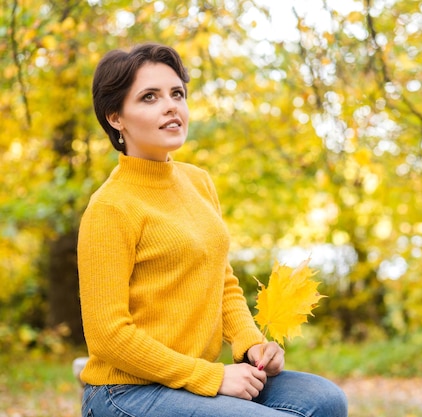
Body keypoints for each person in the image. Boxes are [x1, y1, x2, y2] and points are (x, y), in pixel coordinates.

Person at [77, 43, 348, 417]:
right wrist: (213, 377)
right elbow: (108, 337)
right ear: (116, 118)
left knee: (326, 401)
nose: (171, 105)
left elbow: (223, 282)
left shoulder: (198, 182)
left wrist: (251, 344)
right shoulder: (110, 208)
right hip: (125, 392)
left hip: (193, 380)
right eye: (149, 97)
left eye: (177, 94)